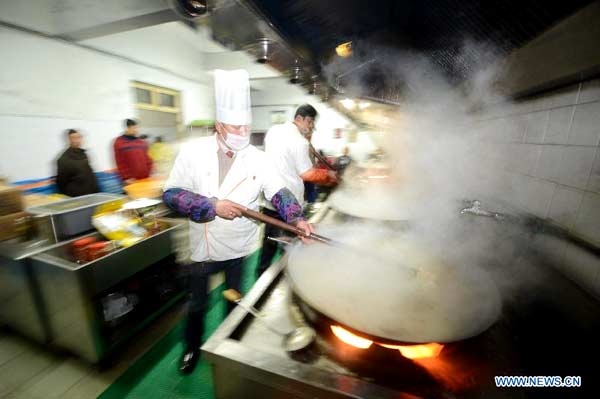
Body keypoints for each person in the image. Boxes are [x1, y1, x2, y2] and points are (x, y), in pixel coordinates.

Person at [162, 69, 314, 375]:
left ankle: (228, 350)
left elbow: (279, 191)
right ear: (219, 125)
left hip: (237, 244)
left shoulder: (257, 157)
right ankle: (191, 347)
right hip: (201, 246)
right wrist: (211, 206)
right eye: (235, 125)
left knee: (235, 298)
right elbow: (171, 194)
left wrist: (296, 218)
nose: (243, 131)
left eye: (246, 125)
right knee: (198, 303)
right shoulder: (192, 153)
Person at [259, 104, 338, 274]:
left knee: (268, 246)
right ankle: (286, 277)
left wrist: (307, 138)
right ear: (300, 118)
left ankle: (261, 276)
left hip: (271, 201)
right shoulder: (299, 141)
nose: (311, 126)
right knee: (289, 248)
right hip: (289, 206)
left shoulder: (274, 130)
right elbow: (307, 174)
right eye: (310, 122)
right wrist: (329, 176)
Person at [55, 129, 99, 197]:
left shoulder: (84, 154)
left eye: (79, 137)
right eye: (74, 138)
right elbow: (61, 183)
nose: (77, 140)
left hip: (91, 195)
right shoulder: (64, 159)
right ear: (69, 140)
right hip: (78, 198)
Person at [113, 119, 153, 184]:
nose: (136, 130)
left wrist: (149, 170)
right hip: (131, 180)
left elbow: (148, 158)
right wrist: (126, 177)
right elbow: (119, 162)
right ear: (127, 128)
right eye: (134, 128)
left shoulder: (141, 142)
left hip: (145, 178)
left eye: (137, 128)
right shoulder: (119, 142)